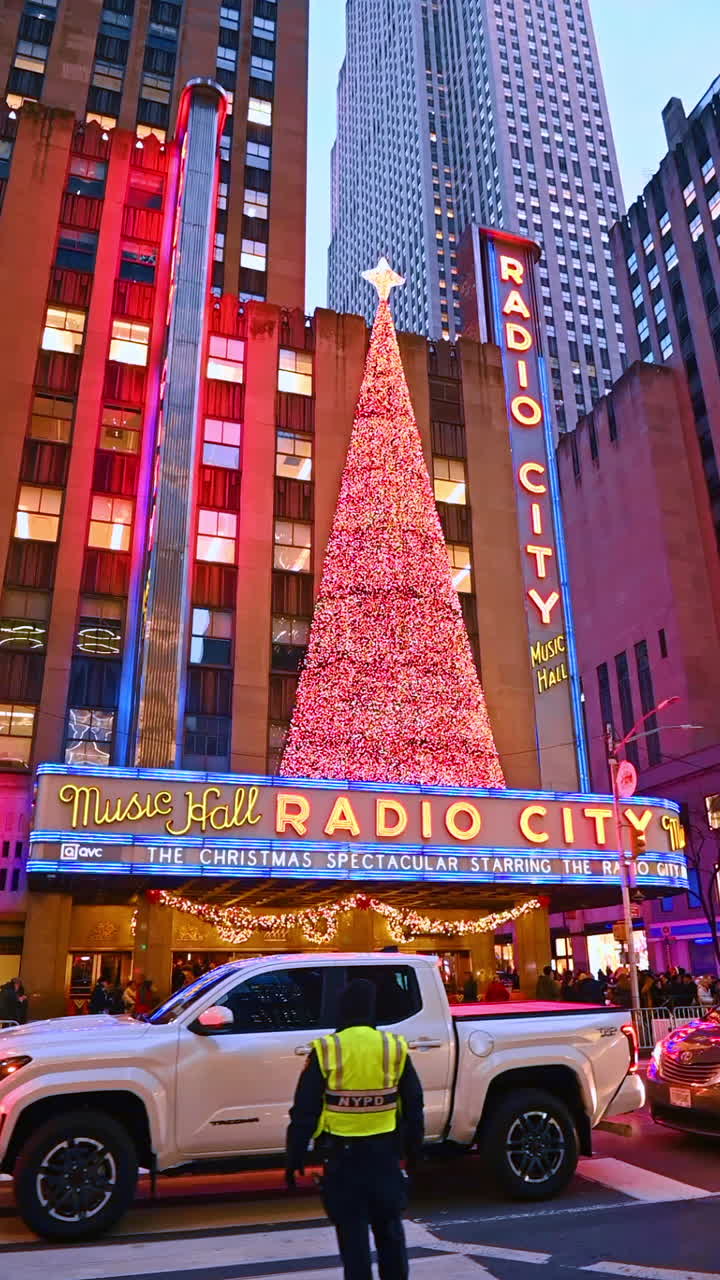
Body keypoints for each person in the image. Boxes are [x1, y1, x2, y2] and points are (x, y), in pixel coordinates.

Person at [286, 979, 424, 1280]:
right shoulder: (393, 1047)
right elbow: (414, 1104)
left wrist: (294, 1155)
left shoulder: (326, 1050)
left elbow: (305, 1110)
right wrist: (414, 1151)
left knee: (353, 1241)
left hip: (342, 1160)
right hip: (385, 1156)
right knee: (391, 1234)